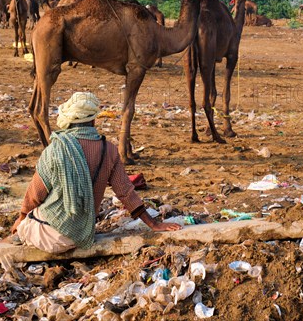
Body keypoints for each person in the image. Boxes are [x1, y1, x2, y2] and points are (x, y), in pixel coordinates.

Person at [11, 92, 181, 254]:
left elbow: (35, 194)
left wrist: (22, 218)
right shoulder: (109, 150)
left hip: (48, 235)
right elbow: (125, 192)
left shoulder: (56, 149)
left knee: (22, 227)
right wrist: (153, 224)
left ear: (69, 121)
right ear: (93, 121)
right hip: (82, 236)